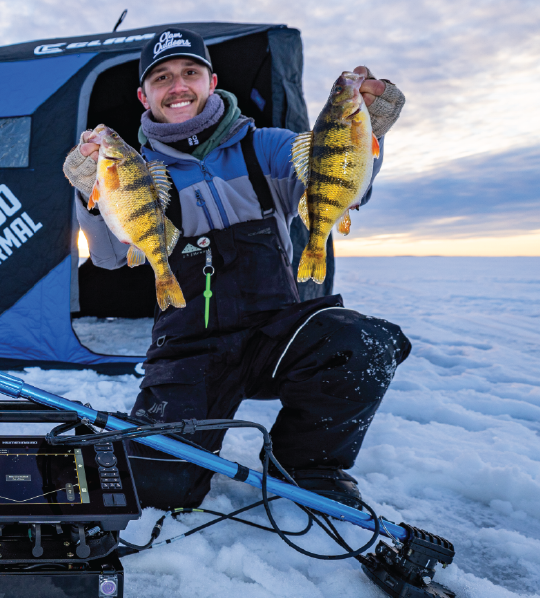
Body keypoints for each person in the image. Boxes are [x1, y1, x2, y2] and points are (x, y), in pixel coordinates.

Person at [62, 28, 410, 510]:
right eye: (162, 77)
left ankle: (306, 466)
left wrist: (369, 131)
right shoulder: (136, 173)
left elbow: (342, 182)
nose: (177, 86)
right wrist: (91, 192)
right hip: (188, 347)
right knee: (157, 483)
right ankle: (159, 445)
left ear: (212, 81)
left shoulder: (267, 147)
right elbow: (107, 257)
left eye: (190, 72)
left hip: (274, 333)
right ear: (144, 96)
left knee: (362, 341)